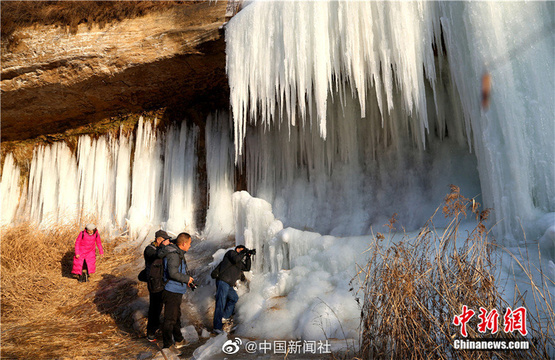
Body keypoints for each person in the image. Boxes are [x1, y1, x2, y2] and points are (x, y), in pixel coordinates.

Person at [158, 232, 194, 353]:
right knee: (170, 319)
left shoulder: (178, 252)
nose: (190, 246)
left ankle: (178, 340)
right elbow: (172, 273)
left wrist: (187, 280)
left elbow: (178, 270)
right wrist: (186, 279)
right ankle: (167, 346)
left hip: (176, 289)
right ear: (183, 243)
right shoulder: (174, 255)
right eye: (189, 243)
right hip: (171, 290)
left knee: (176, 317)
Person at [212, 245, 252, 334]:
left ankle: (224, 317)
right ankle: (216, 327)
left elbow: (247, 268)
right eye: (242, 250)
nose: (243, 252)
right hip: (223, 281)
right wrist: (243, 252)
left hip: (228, 285)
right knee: (220, 303)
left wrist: (248, 256)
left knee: (234, 298)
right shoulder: (230, 254)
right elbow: (236, 259)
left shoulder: (238, 263)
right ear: (237, 249)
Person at [144, 230, 171, 342]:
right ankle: (150, 332)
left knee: (160, 307)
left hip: (162, 281)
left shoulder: (160, 247)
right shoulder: (149, 249)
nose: (167, 243)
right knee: (154, 308)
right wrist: (164, 247)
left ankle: (157, 327)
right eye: (165, 240)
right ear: (159, 240)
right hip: (154, 283)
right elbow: (157, 255)